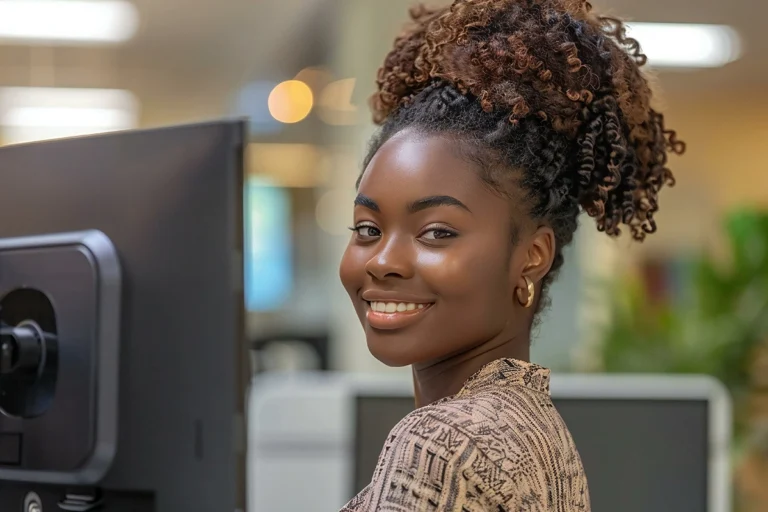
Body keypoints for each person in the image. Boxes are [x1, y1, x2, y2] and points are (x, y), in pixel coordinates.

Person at [338, 0, 684, 510]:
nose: (382, 260)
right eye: (368, 228)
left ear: (532, 256)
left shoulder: (441, 445)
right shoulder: (535, 433)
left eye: (435, 232)